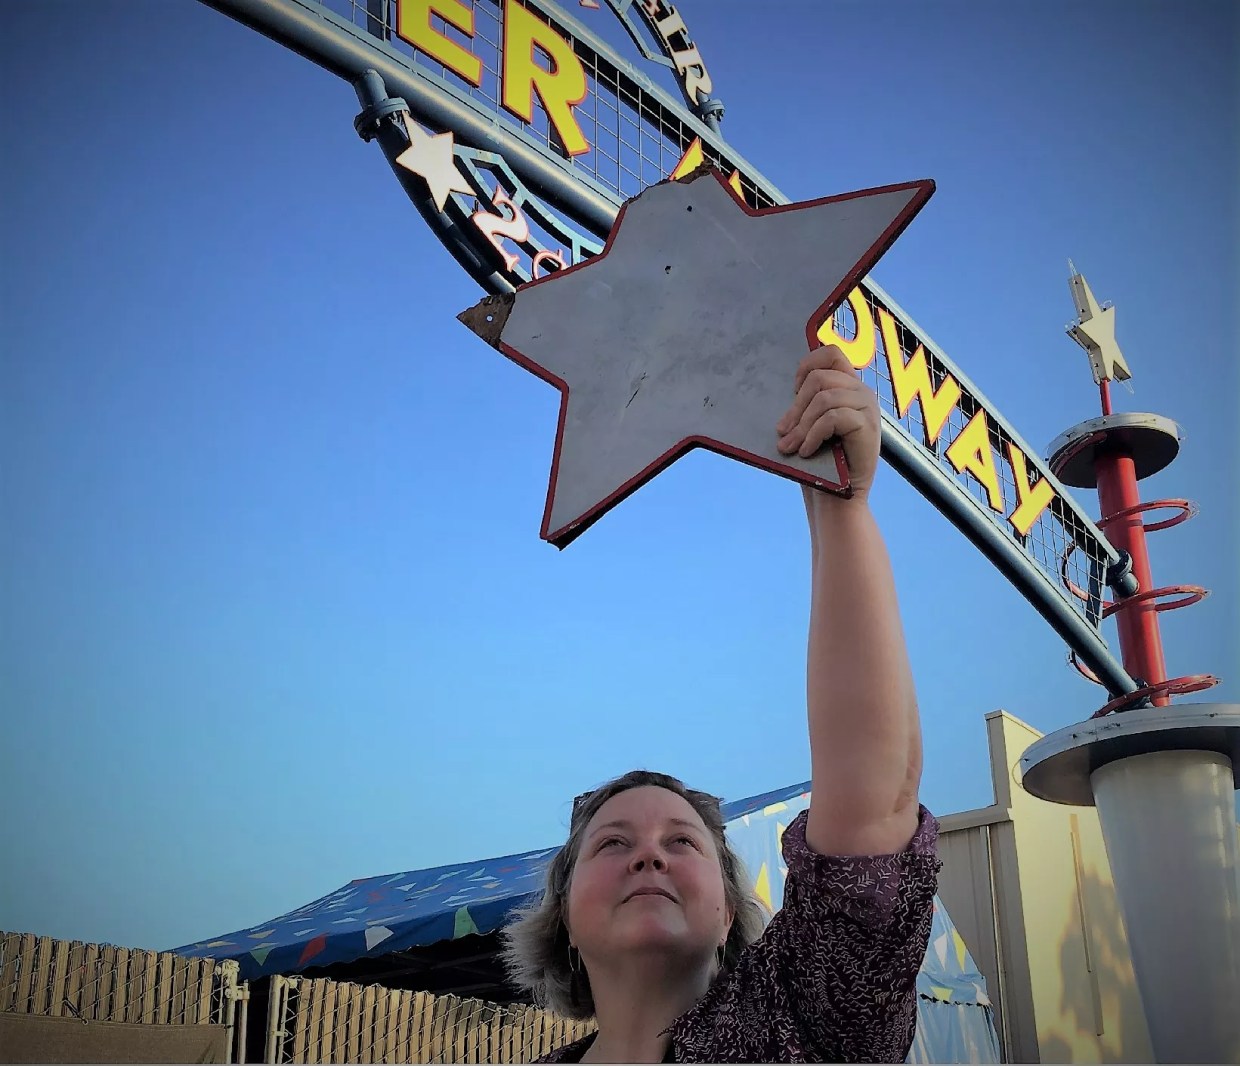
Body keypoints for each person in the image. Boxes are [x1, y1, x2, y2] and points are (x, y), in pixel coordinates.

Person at [501, 344, 939, 1063]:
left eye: (681, 841)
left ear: (729, 911)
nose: (649, 857)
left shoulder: (804, 1022)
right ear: (565, 920)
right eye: (613, 844)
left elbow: (873, 810)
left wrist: (843, 504)